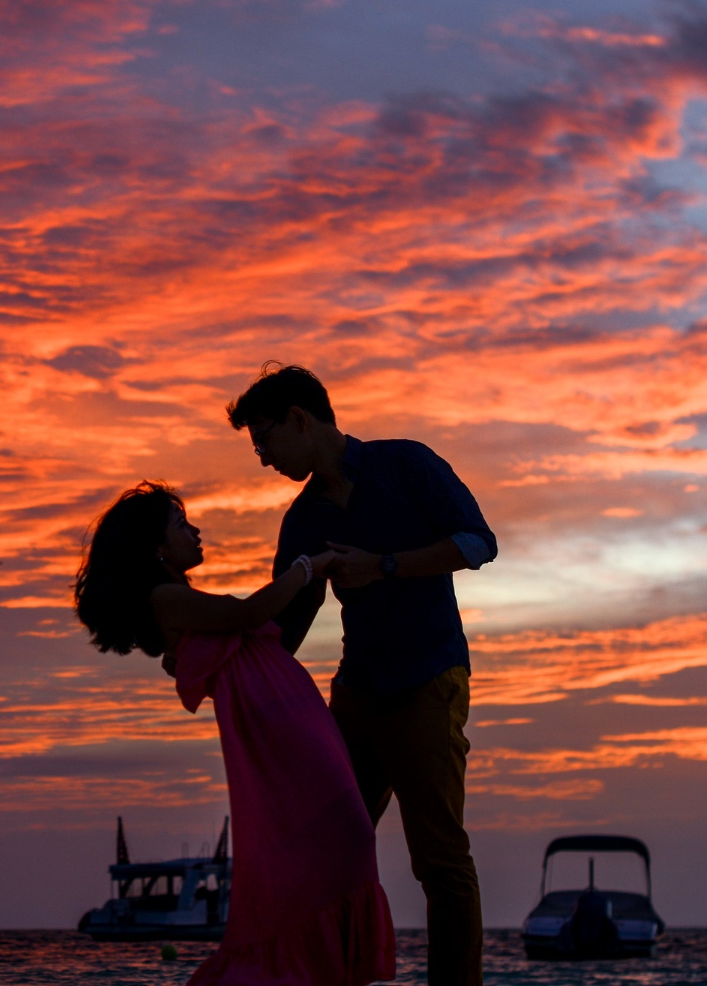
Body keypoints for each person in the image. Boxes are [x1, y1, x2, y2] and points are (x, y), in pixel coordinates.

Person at [227, 364, 496, 986]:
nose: (262, 457)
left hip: (429, 681)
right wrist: (223, 661)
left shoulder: (407, 464)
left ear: (301, 420)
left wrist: (386, 565)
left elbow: (480, 544)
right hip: (355, 696)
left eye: (264, 439)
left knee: (440, 861)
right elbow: (285, 629)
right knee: (326, 852)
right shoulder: (301, 522)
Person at [75, 482, 395, 986]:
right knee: (347, 835)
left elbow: (215, 645)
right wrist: (308, 568)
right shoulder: (166, 598)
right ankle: (307, 969)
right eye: (181, 525)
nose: (194, 531)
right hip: (276, 727)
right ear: (156, 546)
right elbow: (247, 614)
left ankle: (322, 968)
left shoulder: (176, 599)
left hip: (288, 714)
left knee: (342, 837)